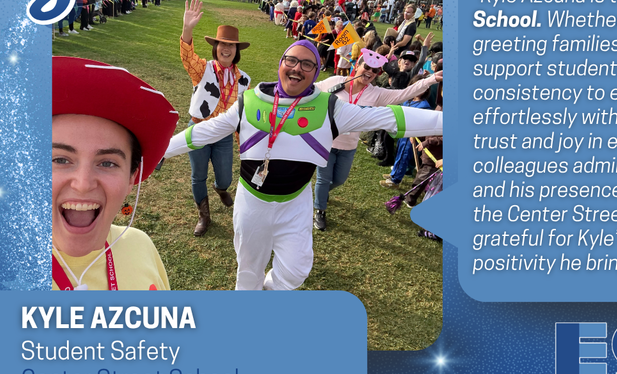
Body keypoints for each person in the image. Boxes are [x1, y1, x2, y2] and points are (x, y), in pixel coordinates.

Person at [162, 40, 443, 290]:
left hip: (295, 203)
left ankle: (269, 292)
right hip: (252, 202)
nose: (297, 68)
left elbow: (390, 118)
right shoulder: (248, 102)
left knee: (295, 272)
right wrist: (161, 151)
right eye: (291, 60)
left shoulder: (332, 108)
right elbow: (202, 132)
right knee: (248, 272)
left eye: (307, 63)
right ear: (281, 64)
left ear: (316, 72)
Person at [52, 56, 179, 290]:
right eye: (60, 159)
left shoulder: (141, 247)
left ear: (132, 177)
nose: (83, 184)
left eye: (107, 163)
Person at [312, 48, 442, 230]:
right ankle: (320, 210)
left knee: (340, 180)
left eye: (375, 71)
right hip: (326, 142)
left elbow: (403, 94)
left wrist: (431, 80)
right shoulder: (336, 82)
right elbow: (312, 90)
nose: (370, 72)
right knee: (322, 179)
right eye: (367, 67)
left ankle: (321, 194)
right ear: (358, 65)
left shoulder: (376, 93)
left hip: (349, 146)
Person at [179, 0, 252, 236]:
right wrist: (187, 28)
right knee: (198, 175)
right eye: (222, 43)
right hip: (199, 129)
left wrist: (243, 143)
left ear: (237, 50)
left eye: (231, 45)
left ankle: (220, 189)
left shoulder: (245, 81)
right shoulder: (203, 68)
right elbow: (188, 57)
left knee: (225, 177)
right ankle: (204, 215)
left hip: (222, 135)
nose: (226, 48)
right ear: (216, 46)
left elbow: (243, 114)